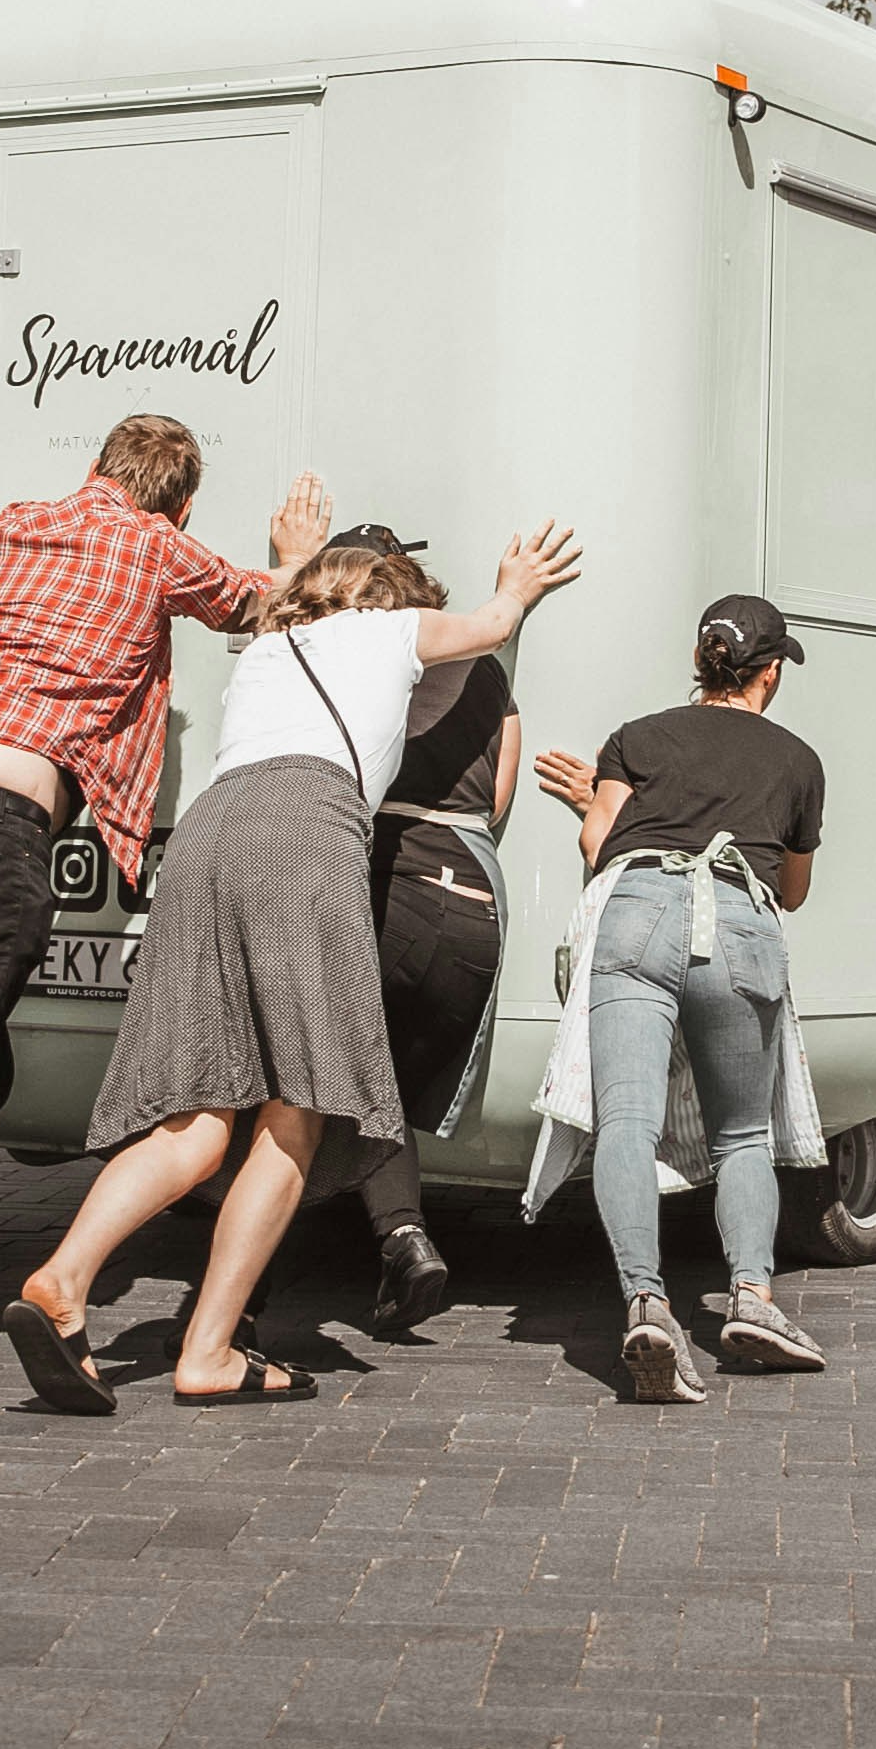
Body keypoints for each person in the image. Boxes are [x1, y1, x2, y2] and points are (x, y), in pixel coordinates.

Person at [0, 414, 332, 1390]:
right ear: (180, 501)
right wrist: (291, 557)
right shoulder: (156, 543)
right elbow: (265, 606)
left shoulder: (15, 521)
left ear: (93, 469)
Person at [2, 515, 580, 1415]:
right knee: (299, 1105)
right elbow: (488, 629)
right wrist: (517, 582)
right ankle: (209, 1350)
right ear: (380, 591)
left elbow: (275, 593)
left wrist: (296, 551)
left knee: (198, 1113)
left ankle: (65, 1276)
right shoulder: (388, 627)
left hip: (208, 833)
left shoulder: (268, 643)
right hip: (306, 829)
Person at [541, 589, 826, 1407]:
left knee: (626, 1122)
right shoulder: (797, 759)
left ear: (703, 662)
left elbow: (602, 844)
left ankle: (645, 1304)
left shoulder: (636, 737)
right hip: (737, 919)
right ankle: (752, 1301)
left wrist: (589, 809)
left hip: (633, 909)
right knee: (742, 1133)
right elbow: (795, 889)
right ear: (768, 673)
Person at [323, 520, 521, 1339]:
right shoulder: (490, 680)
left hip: (392, 877)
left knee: (328, 1084)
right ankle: (398, 1235)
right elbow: (498, 802)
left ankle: (384, 1243)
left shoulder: (354, 662)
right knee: (384, 1091)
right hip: (475, 899)